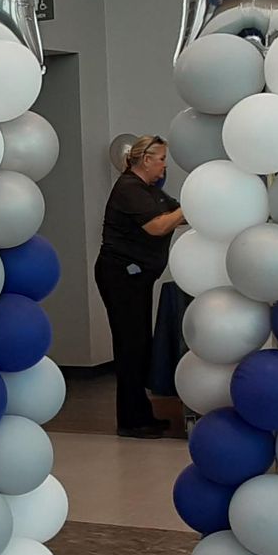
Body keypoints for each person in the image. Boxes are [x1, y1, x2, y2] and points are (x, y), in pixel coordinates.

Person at [95, 136, 184, 438]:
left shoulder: (150, 192)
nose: (164, 165)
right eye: (161, 159)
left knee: (139, 345)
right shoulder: (129, 188)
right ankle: (131, 421)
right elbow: (157, 226)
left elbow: (176, 213)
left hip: (138, 278)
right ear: (146, 159)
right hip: (121, 276)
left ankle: (141, 414)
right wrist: (193, 208)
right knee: (131, 346)